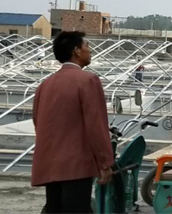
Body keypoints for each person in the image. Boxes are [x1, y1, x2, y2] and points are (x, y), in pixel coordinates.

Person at [31, 31, 114, 213]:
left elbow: (38, 122)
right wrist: (105, 163)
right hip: (77, 166)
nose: (90, 51)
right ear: (76, 51)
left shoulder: (45, 84)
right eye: (87, 46)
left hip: (50, 165)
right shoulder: (88, 81)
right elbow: (96, 126)